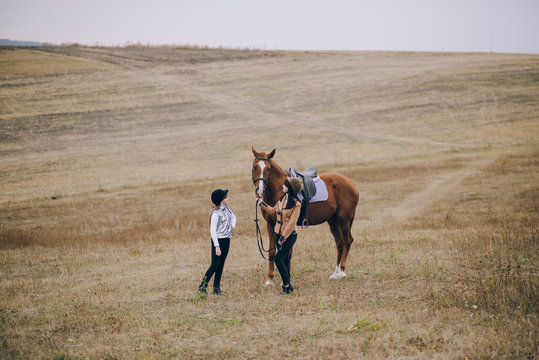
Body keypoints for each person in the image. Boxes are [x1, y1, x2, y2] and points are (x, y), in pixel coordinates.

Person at [258, 177, 303, 294]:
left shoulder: (297, 204)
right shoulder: (282, 199)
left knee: (278, 259)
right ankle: (287, 286)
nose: (282, 186)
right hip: (278, 233)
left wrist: (284, 237)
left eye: (285, 185)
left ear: (290, 188)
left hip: (289, 236)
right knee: (285, 259)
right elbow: (273, 211)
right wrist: (261, 203)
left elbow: (292, 223)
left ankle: (287, 285)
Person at [198, 189, 236, 295]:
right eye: (226, 197)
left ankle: (216, 287)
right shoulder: (215, 214)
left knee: (221, 264)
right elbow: (212, 231)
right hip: (218, 241)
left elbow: (234, 217)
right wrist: (217, 246)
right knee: (215, 265)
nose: (228, 198)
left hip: (227, 239)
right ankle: (202, 286)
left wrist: (232, 226)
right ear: (221, 200)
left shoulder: (227, 209)